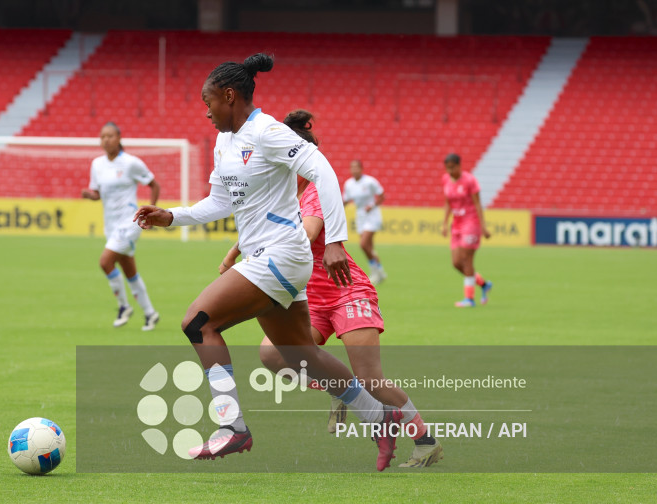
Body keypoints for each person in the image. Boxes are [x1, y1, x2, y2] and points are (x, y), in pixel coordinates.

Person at [133, 54, 403, 471]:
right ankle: (379, 416)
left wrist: (335, 240)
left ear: (229, 96)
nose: (206, 112)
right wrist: (172, 216)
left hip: (280, 254)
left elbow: (323, 172)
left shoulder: (267, 132)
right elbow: (220, 202)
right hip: (270, 258)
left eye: (209, 102)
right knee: (301, 355)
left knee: (198, 323)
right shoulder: (225, 143)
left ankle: (232, 426)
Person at [220, 110, 442, 468]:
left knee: (372, 380)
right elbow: (267, 226)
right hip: (311, 298)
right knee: (272, 355)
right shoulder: (281, 192)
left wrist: (250, 256)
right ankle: (341, 388)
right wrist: (236, 250)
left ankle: (425, 442)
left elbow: (306, 234)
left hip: (346, 291)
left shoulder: (316, 191)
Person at [82, 122, 161, 330]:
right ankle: (150, 313)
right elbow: (98, 193)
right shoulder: (97, 164)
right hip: (111, 225)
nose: (106, 140)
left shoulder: (130, 163)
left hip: (130, 222)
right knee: (129, 271)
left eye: (110, 136)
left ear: (119, 138)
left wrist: (151, 211)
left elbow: (154, 185)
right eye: (102, 136)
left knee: (105, 262)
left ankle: (124, 306)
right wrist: (90, 195)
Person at [441, 153, 493, 307]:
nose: (450, 171)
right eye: (448, 168)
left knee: (466, 259)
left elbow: (477, 204)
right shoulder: (446, 180)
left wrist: (483, 226)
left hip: (471, 222)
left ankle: (469, 298)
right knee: (456, 263)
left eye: (452, 168)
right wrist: (444, 223)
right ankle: (483, 284)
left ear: (459, 165)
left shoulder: (470, 181)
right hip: (456, 224)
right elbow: (448, 203)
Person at [343, 160, 387, 284]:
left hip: (372, 215)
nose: (354, 170)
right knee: (369, 247)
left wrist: (372, 206)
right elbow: (345, 200)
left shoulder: (370, 181)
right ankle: (380, 272)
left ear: (361, 169)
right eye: (352, 167)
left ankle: (375, 273)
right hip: (360, 216)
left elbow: (382, 196)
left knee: (363, 244)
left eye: (356, 167)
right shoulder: (349, 184)